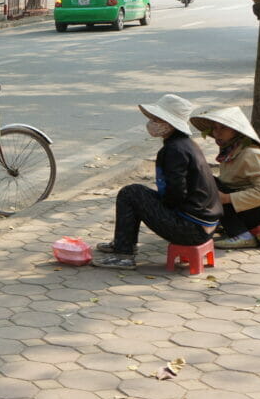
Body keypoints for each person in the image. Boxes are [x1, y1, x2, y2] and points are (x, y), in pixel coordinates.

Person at [92, 94, 222, 269]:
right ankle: (124, 243)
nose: (151, 122)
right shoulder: (186, 145)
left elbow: (176, 194)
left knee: (130, 194)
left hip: (191, 229)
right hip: (204, 226)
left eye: (156, 119)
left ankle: (124, 255)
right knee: (138, 194)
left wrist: (151, 206)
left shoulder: (174, 150)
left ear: (169, 124)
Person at [190, 107, 260, 248]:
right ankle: (231, 227)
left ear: (236, 131)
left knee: (215, 190)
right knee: (207, 182)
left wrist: (226, 198)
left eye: (223, 128)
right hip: (252, 212)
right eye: (214, 128)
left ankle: (242, 235)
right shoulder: (231, 153)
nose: (217, 133)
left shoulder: (252, 154)